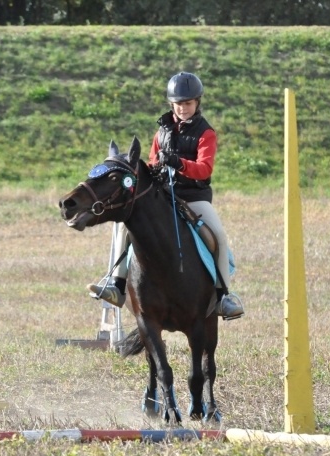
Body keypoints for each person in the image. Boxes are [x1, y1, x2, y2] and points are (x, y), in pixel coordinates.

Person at [87, 71, 244, 320]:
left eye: (188, 103)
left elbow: (204, 169)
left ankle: (224, 295)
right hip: (163, 195)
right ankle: (116, 285)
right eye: (179, 104)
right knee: (124, 227)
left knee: (219, 237)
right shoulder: (161, 133)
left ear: (197, 103)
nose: (183, 108)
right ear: (172, 104)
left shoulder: (206, 133)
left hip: (194, 197)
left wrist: (178, 163)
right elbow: (151, 163)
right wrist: (154, 169)